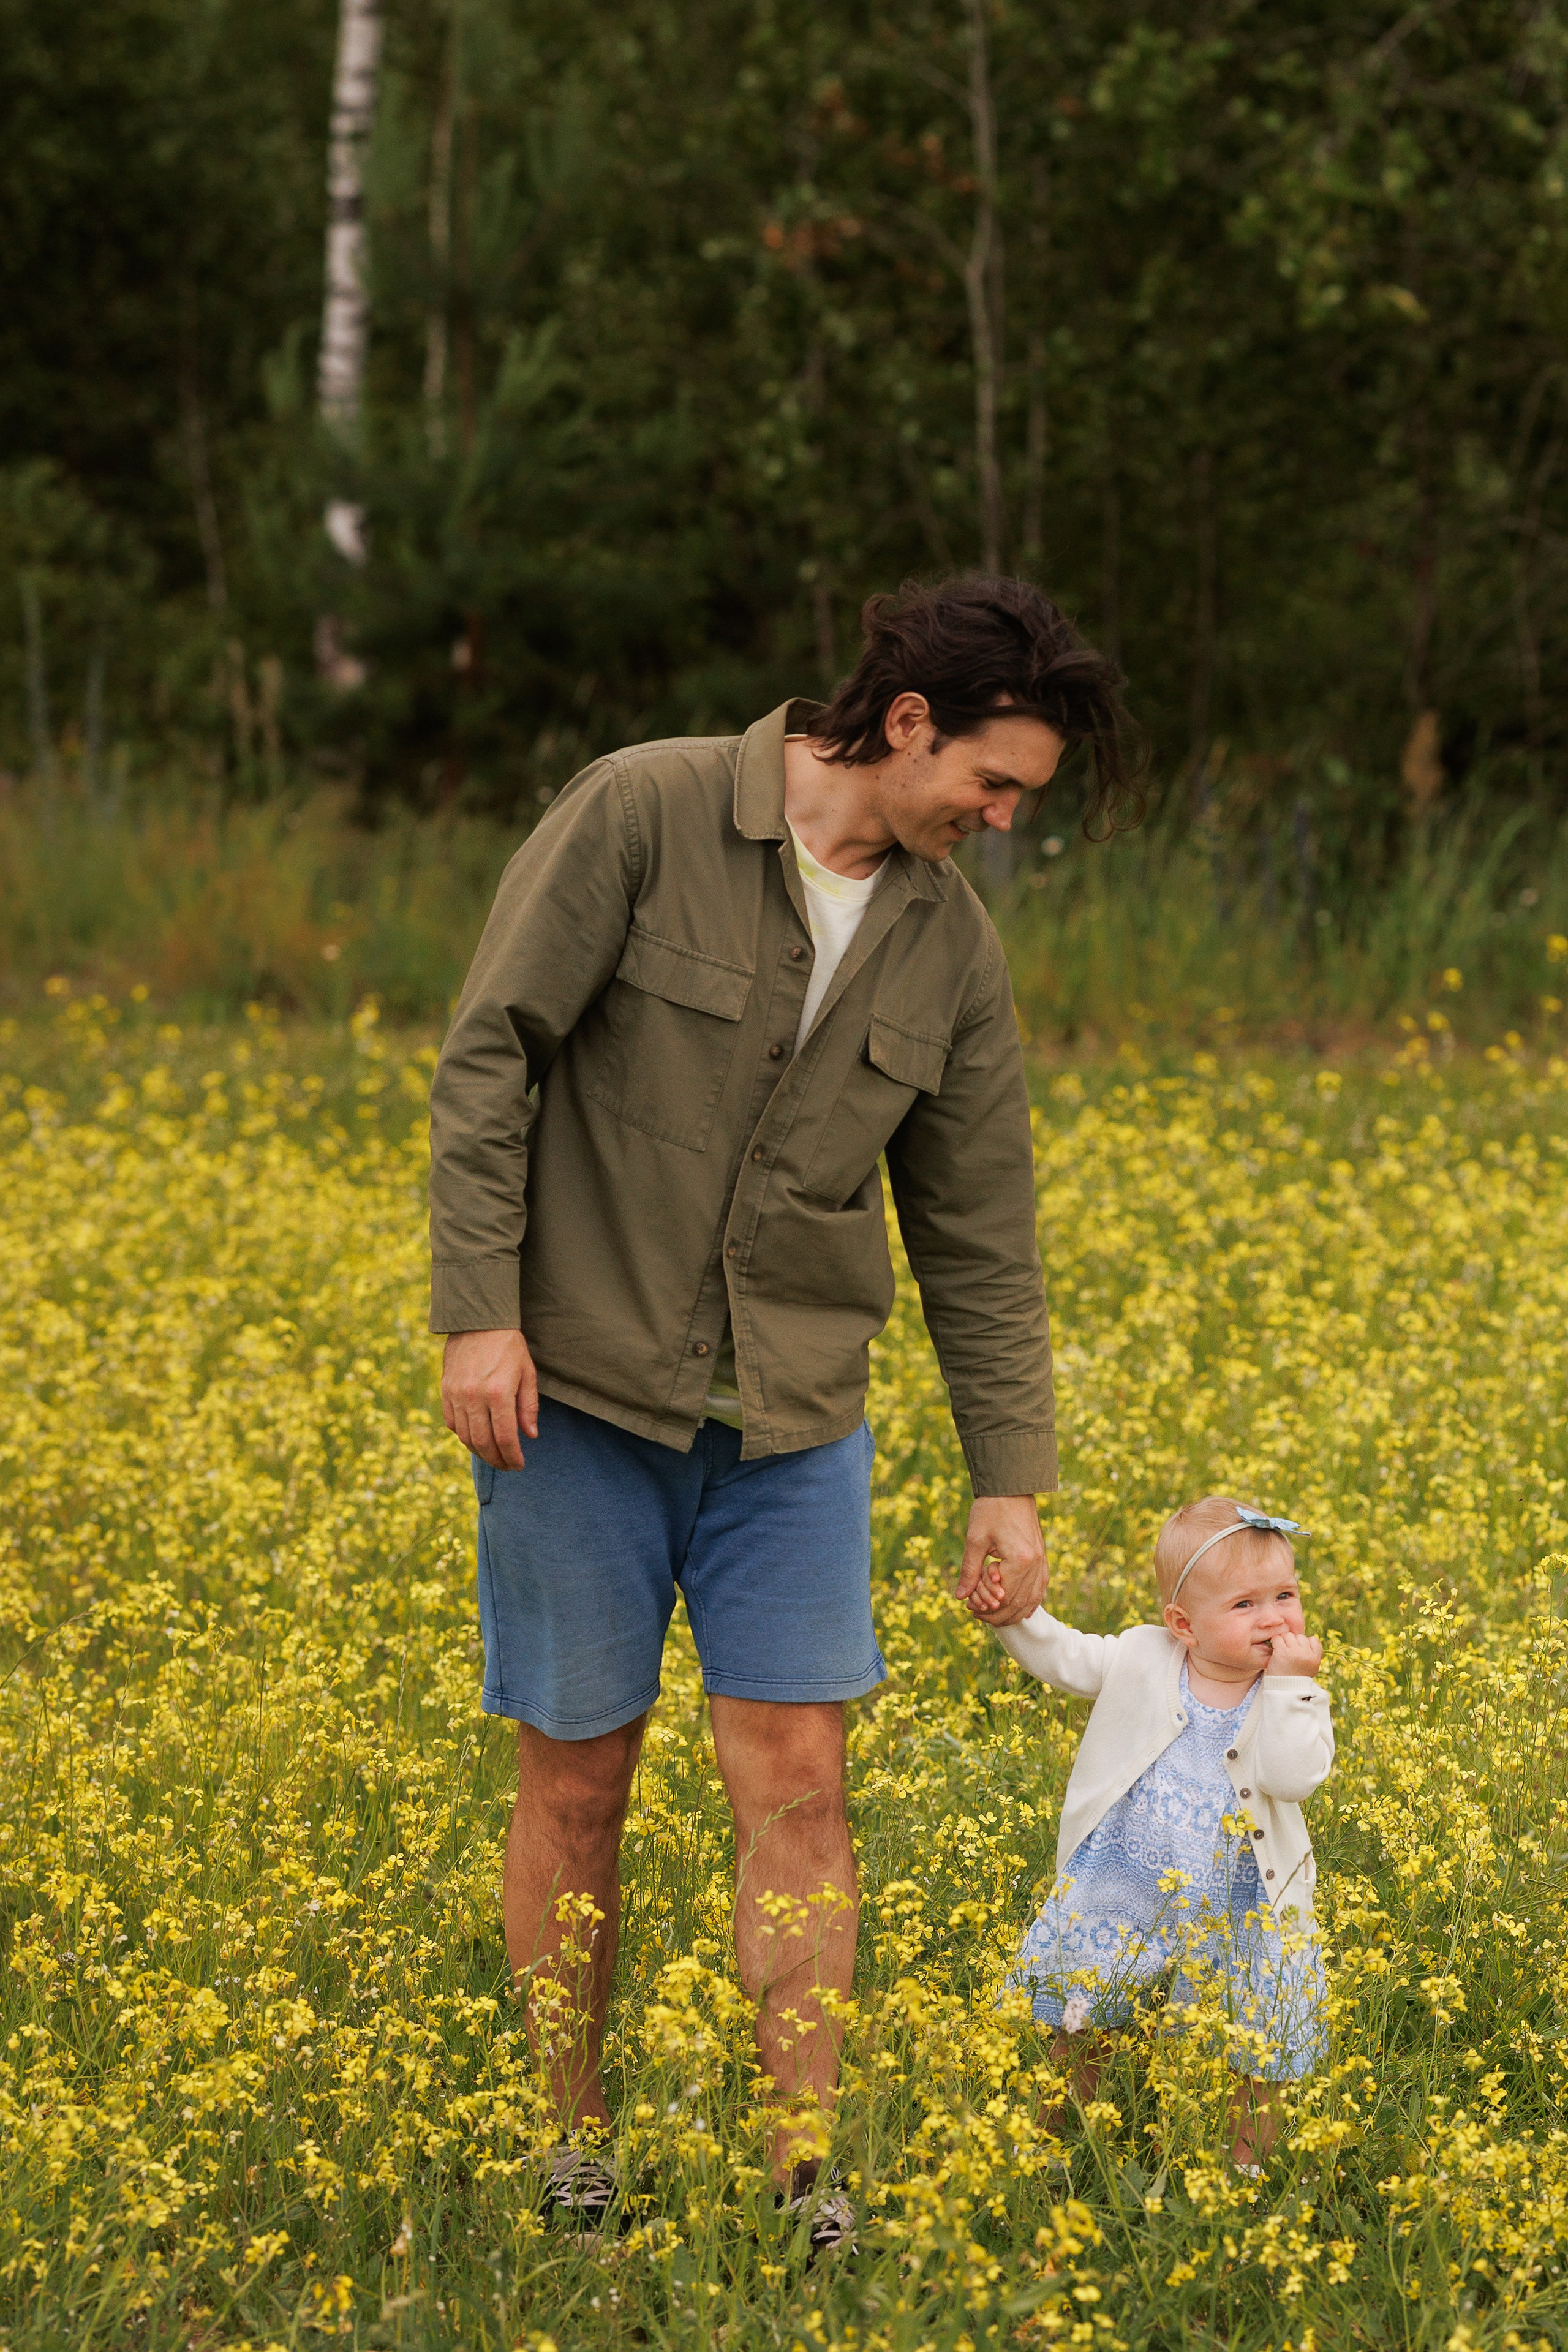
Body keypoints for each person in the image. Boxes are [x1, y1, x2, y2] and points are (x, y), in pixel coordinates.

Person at [427, 573, 1142, 2245]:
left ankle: (801, 2171)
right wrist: (478, 1315)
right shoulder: (647, 811)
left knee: (802, 1786)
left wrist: (1010, 1480)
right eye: (996, 780)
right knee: (578, 1783)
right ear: (907, 722)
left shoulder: (953, 946)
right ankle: (568, 2142)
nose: (1005, 816)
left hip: (795, 1428)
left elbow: (979, 1230)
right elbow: (490, 1059)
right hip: (577, 1398)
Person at [987, 1497, 1333, 2169]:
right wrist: (1014, 1613)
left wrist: (1294, 1689)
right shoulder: (1144, 1655)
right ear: (1182, 1624)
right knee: (1083, 2017)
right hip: (1126, 1876)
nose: (1274, 1617)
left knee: (1257, 2039)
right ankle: (1049, 2149)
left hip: (1242, 1895)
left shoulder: (1291, 1693)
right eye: (1244, 1605)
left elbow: (1292, 1777)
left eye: (1285, 1595)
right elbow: (1067, 1659)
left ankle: (1245, 2169)